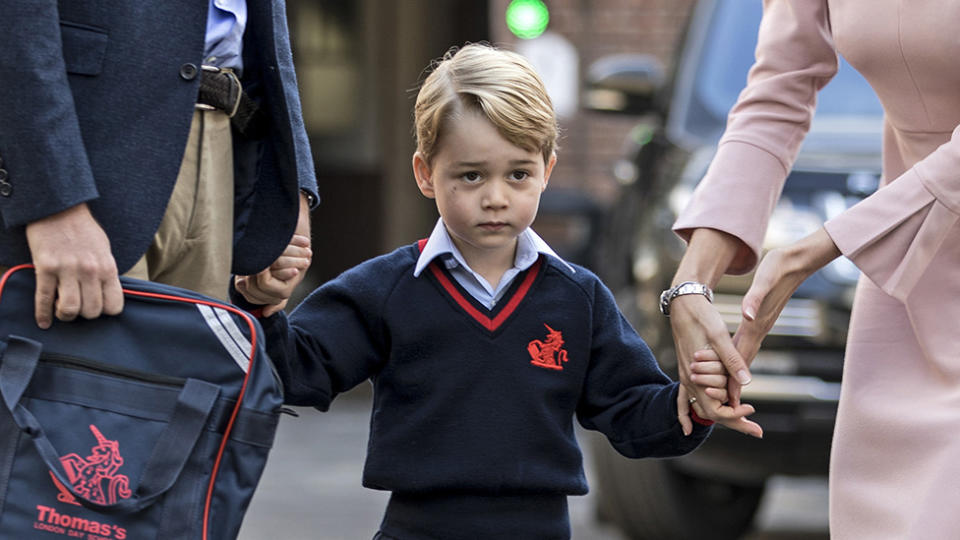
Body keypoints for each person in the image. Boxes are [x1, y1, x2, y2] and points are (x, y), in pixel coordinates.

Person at [234, 43, 724, 539]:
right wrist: (262, 303)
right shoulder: (385, 289)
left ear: (547, 171)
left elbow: (634, 416)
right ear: (426, 173)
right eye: (471, 175)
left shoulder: (580, 299)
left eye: (518, 174)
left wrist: (693, 403)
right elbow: (295, 373)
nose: (495, 197)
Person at [670, 1, 960, 537]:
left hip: (895, 238)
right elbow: (778, 89)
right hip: (907, 293)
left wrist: (826, 245)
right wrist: (691, 284)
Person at [0, 0, 317, 329]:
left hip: (220, 146)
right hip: (86, 154)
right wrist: (51, 199)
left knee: (194, 371)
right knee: (78, 370)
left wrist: (287, 190)